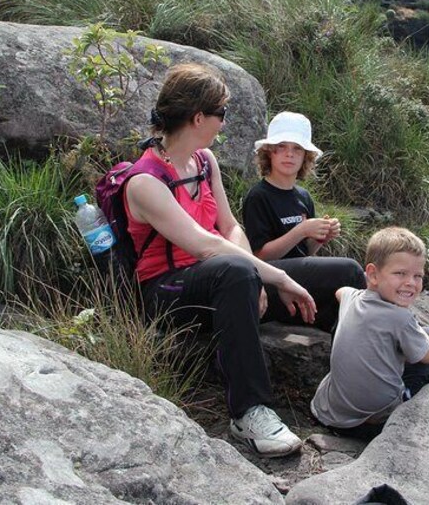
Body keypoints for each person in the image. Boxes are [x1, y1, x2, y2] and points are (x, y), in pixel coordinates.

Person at [124, 63, 315, 457]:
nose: (223, 125)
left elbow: (228, 227)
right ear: (198, 118)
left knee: (342, 273)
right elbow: (203, 245)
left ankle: (394, 349)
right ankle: (249, 411)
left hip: (225, 271)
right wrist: (271, 275)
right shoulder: (145, 181)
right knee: (236, 270)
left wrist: (258, 276)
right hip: (168, 290)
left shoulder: (204, 160)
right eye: (221, 115)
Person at [310, 227, 429, 440]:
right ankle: (408, 399)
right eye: (400, 273)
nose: (411, 282)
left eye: (418, 276)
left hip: (329, 413)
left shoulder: (352, 297)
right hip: (374, 422)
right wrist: (416, 327)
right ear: (373, 274)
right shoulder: (401, 319)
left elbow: (341, 292)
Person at [242, 111, 365, 333]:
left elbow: (304, 254)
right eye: (282, 147)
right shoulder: (258, 196)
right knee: (351, 270)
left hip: (298, 279)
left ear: (305, 156)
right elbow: (259, 257)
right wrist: (301, 230)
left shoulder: (302, 196)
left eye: (297, 149)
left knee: (341, 306)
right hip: (273, 283)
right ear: (269, 152)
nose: (289, 155)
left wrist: (319, 238)